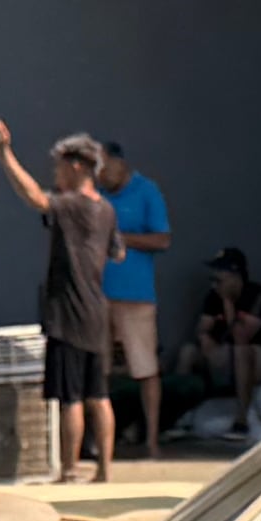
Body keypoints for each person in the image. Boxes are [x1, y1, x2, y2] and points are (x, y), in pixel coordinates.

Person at [0, 118, 120, 481]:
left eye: (59, 166)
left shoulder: (71, 205)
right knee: (100, 395)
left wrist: (5, 154)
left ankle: (69, 469)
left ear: (76, 165)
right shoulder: (106, 210)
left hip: (68, 314)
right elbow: (117, 254)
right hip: (96, 311)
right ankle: (105, 470)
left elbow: (35, 198)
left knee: (71, 398)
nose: (55, 174)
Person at [97, 136, 168, 457]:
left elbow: (163, 239)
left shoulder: (147, 191)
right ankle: (98, 444)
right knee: (99, 369)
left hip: (136, 294)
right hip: (97, 294)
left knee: (145, 368)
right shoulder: (94, 194)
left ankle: (151, 441)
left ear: (119, 162)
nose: (99, 176)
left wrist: (120, 239)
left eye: (103, 168)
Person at [176, 249, 261, 428]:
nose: (214, 284)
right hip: (227, 354)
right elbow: (201, 329)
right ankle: (178, 417)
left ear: (235, 275)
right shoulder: (213, 297)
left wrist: (227, 302)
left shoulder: (256, 294)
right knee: (188, 352)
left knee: (241, 351)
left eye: (219, 278)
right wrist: (204, 338)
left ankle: (241, 420)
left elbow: (241, 337)